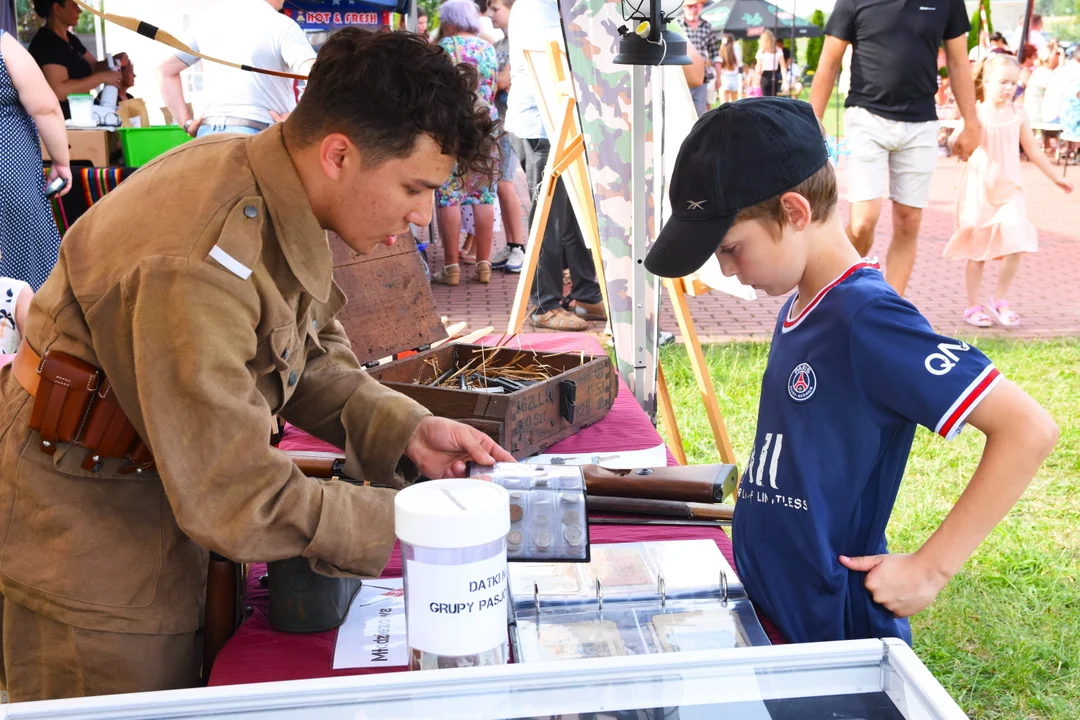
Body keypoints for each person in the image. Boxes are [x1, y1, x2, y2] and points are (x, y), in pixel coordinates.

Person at [0, 29, 513, 703]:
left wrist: (408, 433)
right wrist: (413, 521)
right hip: (87, 539)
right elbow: (234, 497)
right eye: (415, 188)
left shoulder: (267, 186)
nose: (423, 217)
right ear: (339, 154)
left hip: (152, 493)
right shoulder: (198, 259)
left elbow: (303, 349)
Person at [644, 96, 1058, 646]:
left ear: (794, 213)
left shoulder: (868, 319)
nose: (725, 268)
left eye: (730, 249)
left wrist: (931, 568)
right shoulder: (803, 301)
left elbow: (1029, 429)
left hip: (833, 626)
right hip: (782, 610)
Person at [809, 0, 981, 296]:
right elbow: (829, 60)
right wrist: (811, 122)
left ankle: (889, 311)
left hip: (921, 124)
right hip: (867, 117)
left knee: (908, 223)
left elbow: (957, 62)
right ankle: (835, 294)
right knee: (863, 223)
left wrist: (971, 123)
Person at [944, 54, 1073, 328]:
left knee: (1018, 240)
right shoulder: (975, 113)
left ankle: (999, 300)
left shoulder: (1018, 114)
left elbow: (1034, 150)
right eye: (1003, 82)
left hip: (1010, 190)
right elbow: (956, 140)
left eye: (1013, 83)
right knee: (977, 252)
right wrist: (956, 138)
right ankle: (972, 306)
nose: (1008, 88)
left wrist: (1055, 178)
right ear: (987, 81)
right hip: (979, 190)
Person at [505, 0, 605, 330]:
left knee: (574, 213)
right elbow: (558, 56)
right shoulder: (537, 6)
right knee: (548, 218)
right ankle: (543, 304)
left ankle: (586, 294)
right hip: (542, 125)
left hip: (558, 121)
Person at [157, 0, 317, 138]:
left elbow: (165, 70)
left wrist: (186, 123)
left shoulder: (205, 22)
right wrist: (299, 118)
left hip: (207, 134)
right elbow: (319, 75)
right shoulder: (282, 25)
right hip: (260, 134)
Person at [429, 0, 499, 286]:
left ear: (449, 20)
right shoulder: (488, 47)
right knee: (483, 194)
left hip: (452, 124)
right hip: (485, 123)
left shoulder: (443, 48)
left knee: (450, 194)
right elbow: (493, 88)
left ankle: (452, 267)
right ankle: (484, 264)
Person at [0, 29, 70, 292]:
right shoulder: (4, 45)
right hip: (9, 173)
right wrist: (61, 162)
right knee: (22, 263)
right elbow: (46, 108)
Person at [28, 0, 126, 119]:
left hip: (80, 117)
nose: (79, 10)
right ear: (57, 8)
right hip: (59, 122)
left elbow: (94, 67)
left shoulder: (71, 39)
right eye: (74, 5)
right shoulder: (47, 43)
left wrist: (113, 61)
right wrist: (103, 77)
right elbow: (60, 91)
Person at [486, 0, 526, 273]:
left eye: (496, 8)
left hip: (515, 124)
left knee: (505, 183)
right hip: (501, 123)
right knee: (501, 182)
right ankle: (513, 245)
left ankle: (520, 247)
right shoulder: (500, 45)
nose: (490, 14)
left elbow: (500, 81)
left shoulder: (520, 42)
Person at [678, 0, 721, 116]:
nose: (694, 9)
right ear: (684, 7)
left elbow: (715, 54)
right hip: (680, 78)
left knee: (699, 116)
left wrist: (719, 77)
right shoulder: (678, 24)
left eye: (696, 6)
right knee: (681, 114)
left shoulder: (707, 26)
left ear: (701, 6)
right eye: (690, 6)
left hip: (701, 78)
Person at [755, 30, 786, 97]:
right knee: (773, 98)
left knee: (765, 98)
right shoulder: (778, 51)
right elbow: (783, 66)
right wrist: (785, 80)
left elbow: (758, 69)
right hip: (774, 74)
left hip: (765, 76)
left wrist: (757, 78)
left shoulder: (761, 52)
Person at [718, 36, 740, 104]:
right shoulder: (736, 48)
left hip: (724, 77)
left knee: (723, 105)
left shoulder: (721, 52)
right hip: (734, 77)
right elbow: (739, 63)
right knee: (734, 105)